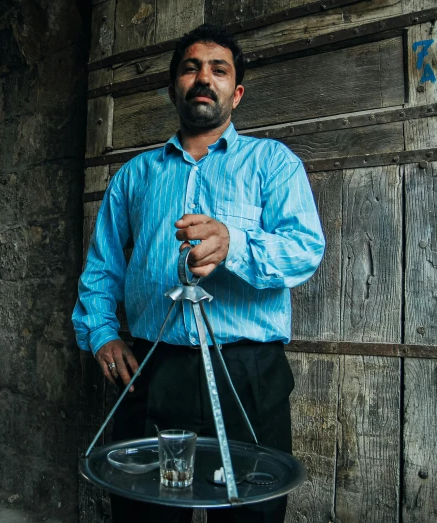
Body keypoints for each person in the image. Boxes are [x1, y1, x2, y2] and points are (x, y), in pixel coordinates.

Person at [72, 24, 325, 523]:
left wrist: (234, 244)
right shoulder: (134, 176)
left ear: (237, 91)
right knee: (144, 511)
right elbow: (101, 266)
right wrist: (101, 333)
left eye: (219, 69)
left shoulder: (273, 164)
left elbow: (304, 250)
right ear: (173, 89)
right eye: (191, 68)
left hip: (248, 373)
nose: (204, 78)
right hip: (151, 369)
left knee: (250, 513)